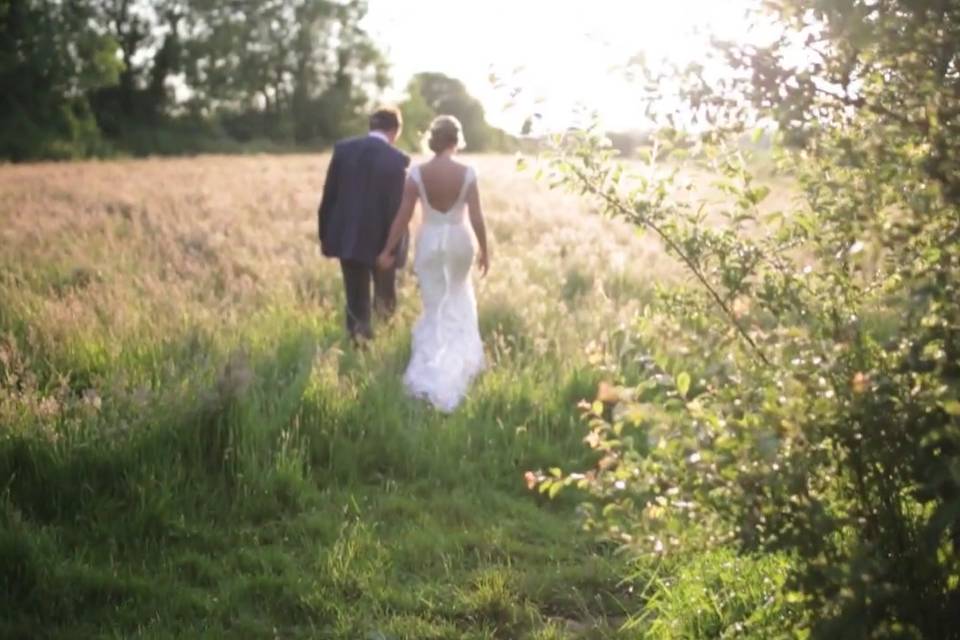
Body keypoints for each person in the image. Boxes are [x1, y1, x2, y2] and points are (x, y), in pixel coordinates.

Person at [377, 115, 489, 412]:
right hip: (459, 240)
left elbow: (403, 215)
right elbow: (476, 216)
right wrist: (485, 250)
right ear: (456, 140)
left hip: (429, 241)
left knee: (434, 304)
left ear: (433, 140)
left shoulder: (417, 173)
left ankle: (430, 370)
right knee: (458, 295)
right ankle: (458, 367)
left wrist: (388, 249)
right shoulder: (467, 172)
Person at [318, 106, 410, 342]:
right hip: (383, 244)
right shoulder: (396, 160)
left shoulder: (342, 150)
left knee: (355, 300)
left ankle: (358, 347)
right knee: (385, 300)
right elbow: (398, 210)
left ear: (371, 126)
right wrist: (394, 250)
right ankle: (384, 348)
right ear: (396, 130)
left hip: (347, 239)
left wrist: (326, 238)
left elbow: (329, 197)